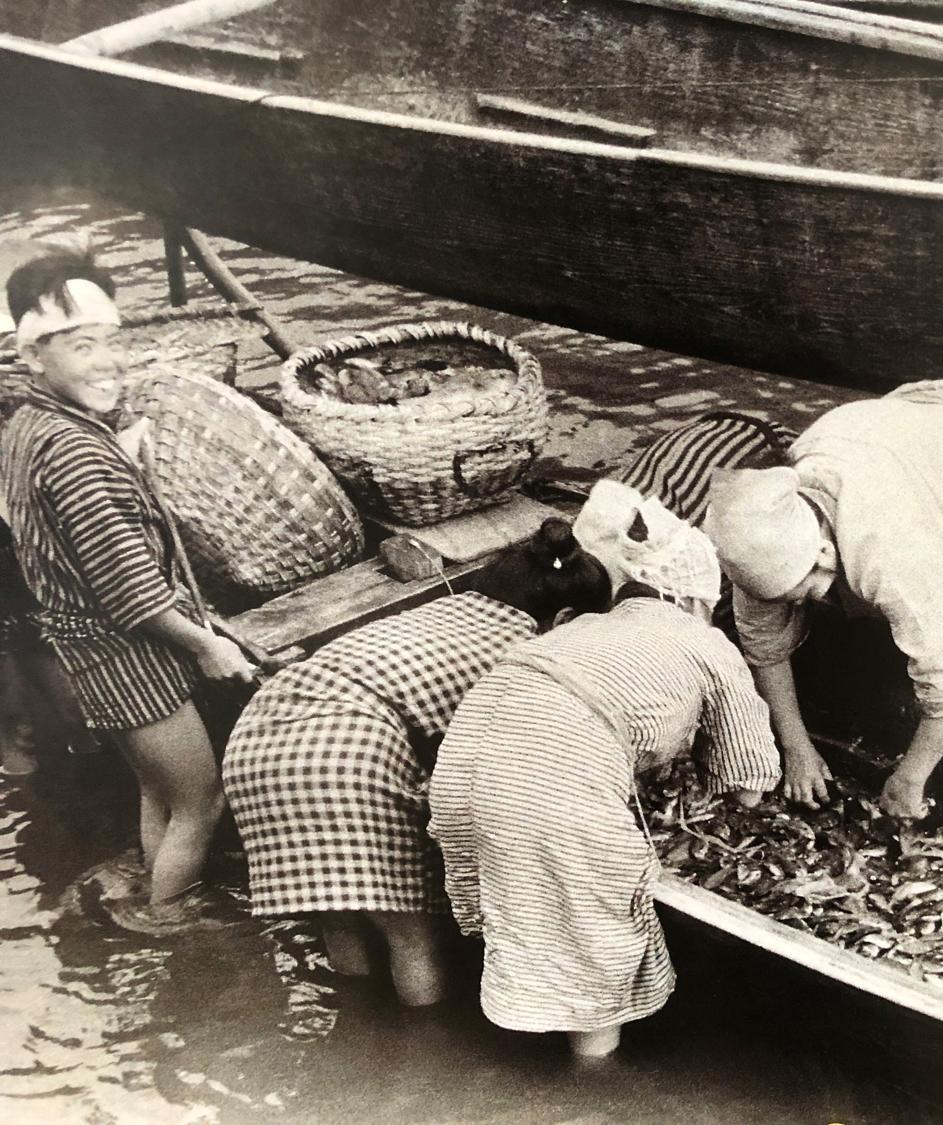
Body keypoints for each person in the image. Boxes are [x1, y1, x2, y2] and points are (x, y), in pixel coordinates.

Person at [428, 484, 782, 1059]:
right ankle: (593, 1085)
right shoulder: (707, 642)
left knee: (522, 912)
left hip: (462, 762)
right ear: (696, 600)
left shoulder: (577, 628)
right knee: (599, 948)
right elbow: (747, 785)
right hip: (548, 785)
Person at [221, 519, 611, 1006]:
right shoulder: (525, 651)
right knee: (411, 934)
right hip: (343, 755)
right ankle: (422, 1056)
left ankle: (357, 1029)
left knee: (338, 909)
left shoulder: (451, 607)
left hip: (257, 739)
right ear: (566, 619)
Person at [704, 379, 943, 819]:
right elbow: (764, 645)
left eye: (802, 594)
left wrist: (909, 778)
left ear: (824, 551)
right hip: (883, 434)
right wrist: (796, 747)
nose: (800, 603)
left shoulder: (895, 544)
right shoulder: (758, 536)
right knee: (880, 621)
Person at [0, 250, 255, 918]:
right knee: (202, 801)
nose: (109, 362)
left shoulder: (32, 426)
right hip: (129, 658)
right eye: (84, 347)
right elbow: (132, 591)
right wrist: (207, 645)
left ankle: (150, 888)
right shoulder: (77, 453)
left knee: (157, 792)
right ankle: (171, 923)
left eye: (114, 343)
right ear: (33, 356)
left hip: (90, 655)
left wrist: (121, 455)